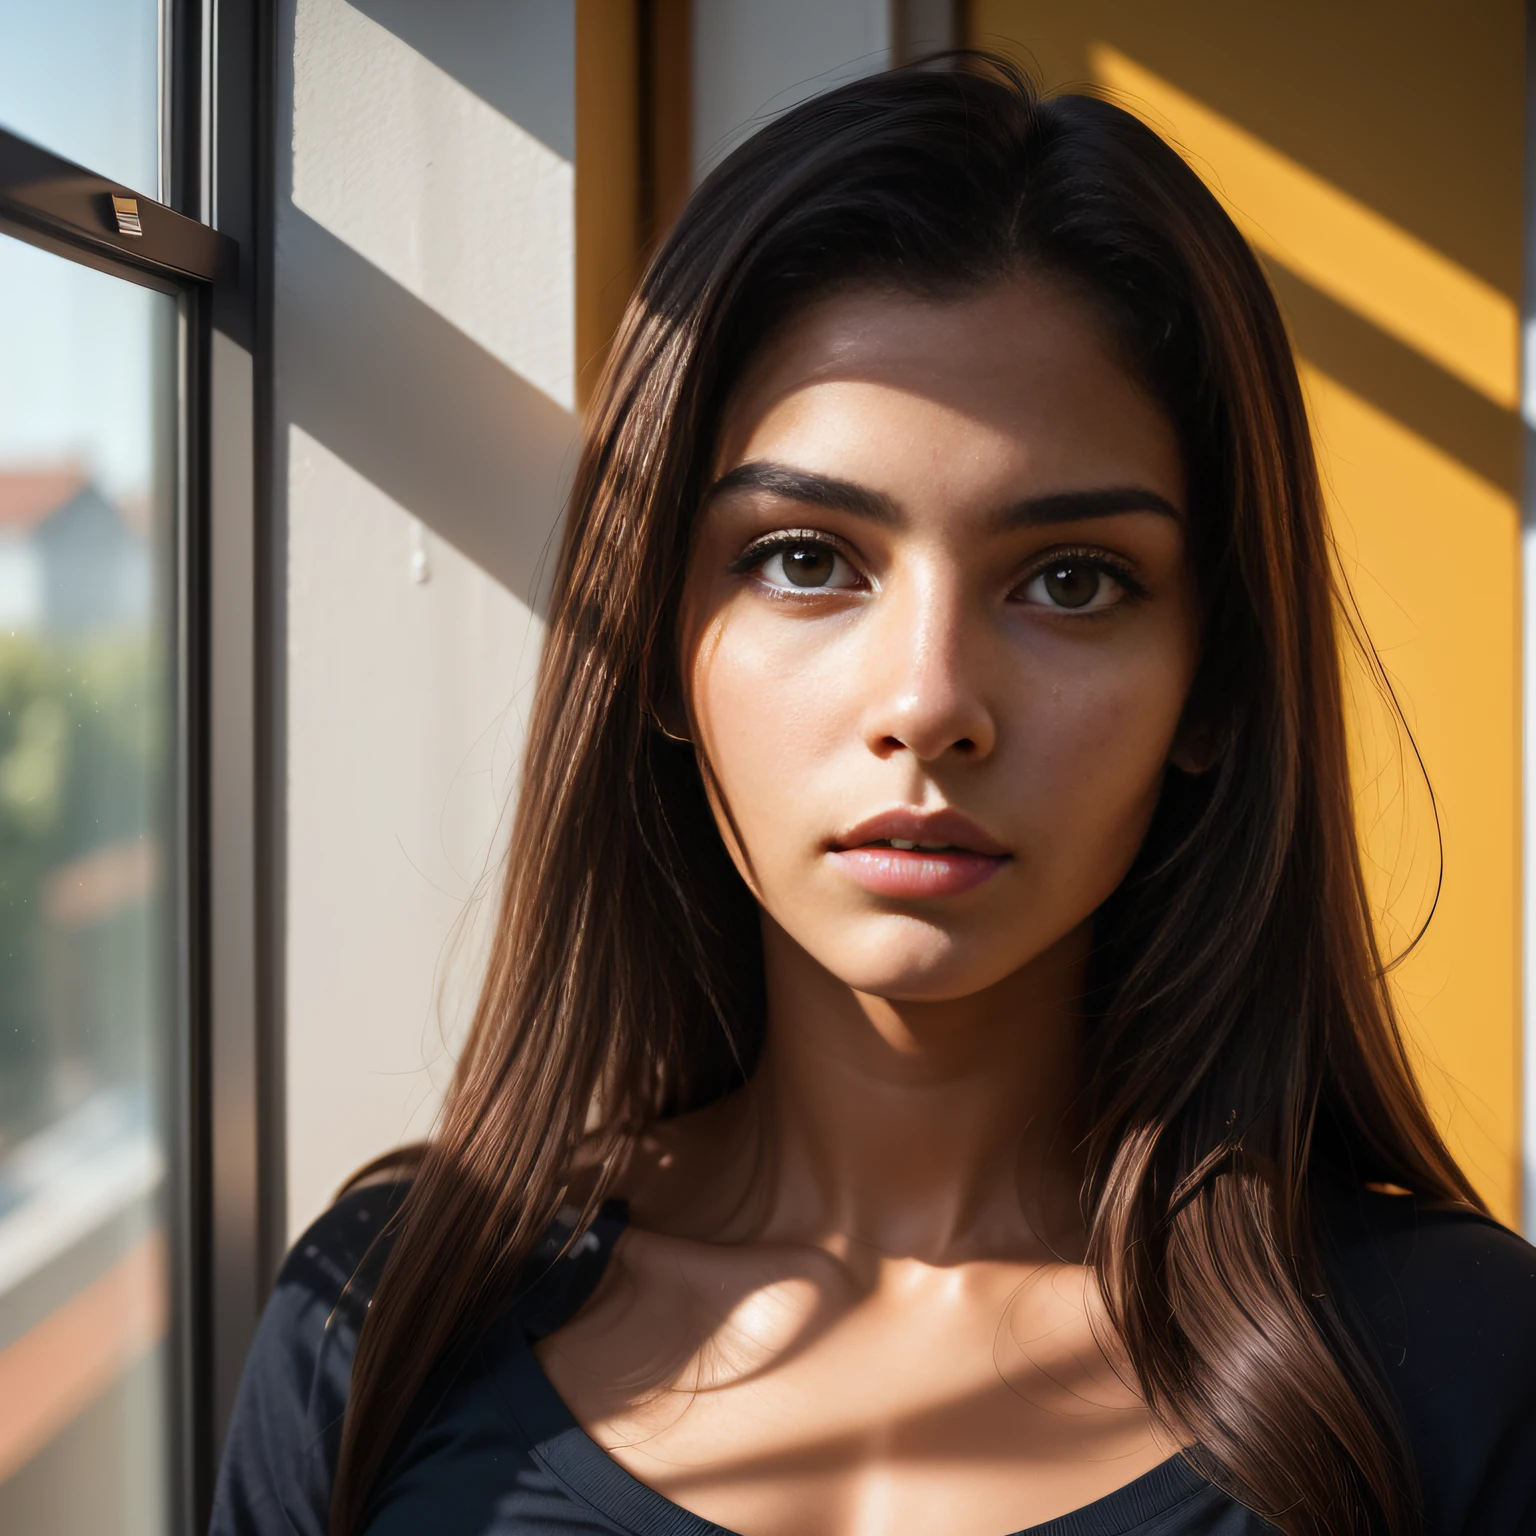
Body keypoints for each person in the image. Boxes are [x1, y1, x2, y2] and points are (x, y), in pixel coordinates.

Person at [211, 55, 1536, 1536]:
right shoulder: (380, 1319)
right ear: (654, 640)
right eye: (804, 559)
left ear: (1211, 688)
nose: (928, 703)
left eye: (1072, 580)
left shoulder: (1465, 1372)